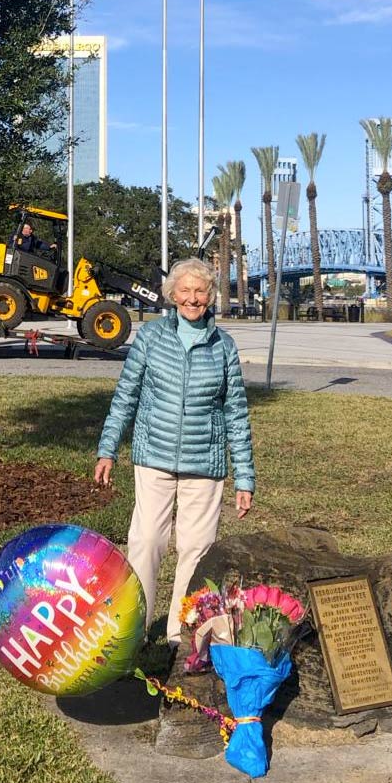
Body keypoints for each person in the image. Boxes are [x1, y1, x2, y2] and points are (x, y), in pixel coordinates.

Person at [94, 257, 255, 649]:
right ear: (172, 295)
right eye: (185, 290)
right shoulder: (151, 337)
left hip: (205, 464)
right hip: (154, 456)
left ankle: (179, 637)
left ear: (210, 296)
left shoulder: (223, 346)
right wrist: (107, 449)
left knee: (196, 551)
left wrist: (245, 477)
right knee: (147, 542)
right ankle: (133, 631)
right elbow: (126, 395)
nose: (193, 298)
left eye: (200, 291)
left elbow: (236, 413)